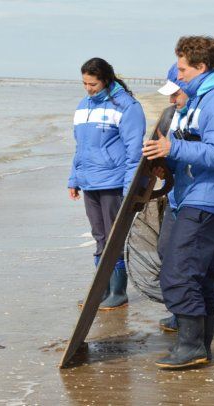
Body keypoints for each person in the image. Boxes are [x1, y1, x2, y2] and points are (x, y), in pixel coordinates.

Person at [142, 36, 214, 369]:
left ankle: (192, 346)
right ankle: (197, 343)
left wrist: (172, 150)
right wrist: (166, 163)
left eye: (183, 70)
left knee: (179, 272)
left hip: (209, 198)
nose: (179, 79)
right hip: (188, 194)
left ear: (201, 67)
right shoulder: (198, 99)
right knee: (195, 272)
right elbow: (189, 149)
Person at [68, 57, 146, 310]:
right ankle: (101, 290)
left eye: (93, 84)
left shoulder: (127, 106)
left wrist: (129, 188)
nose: (88, 88)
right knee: (99, 236)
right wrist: (74, 178)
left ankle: (118, 292)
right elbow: (81, 147)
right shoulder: (83, 105)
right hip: (89, 181)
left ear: (106, 80)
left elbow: (135, 152)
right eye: (84, 83)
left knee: (114, 238)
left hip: (113, 182)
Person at [155, 64, 190, 333]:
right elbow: (175, 159)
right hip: (176, 197)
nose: (171, 99)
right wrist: (163, 165)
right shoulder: (174, 116)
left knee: (184, 262)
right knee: (165, 251)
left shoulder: (202, 114)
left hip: (197, 200)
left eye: (175, 93)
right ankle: (179, 311)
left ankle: (187, 320)